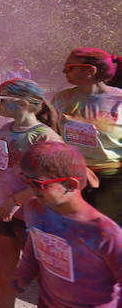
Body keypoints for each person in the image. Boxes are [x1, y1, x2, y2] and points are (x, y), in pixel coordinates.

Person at [14, 142, 122, 308]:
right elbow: (34, 246)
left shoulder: (103, 232)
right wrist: (24, 273)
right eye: (25, 179)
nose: (29, 187)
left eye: (38, 183)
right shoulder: (34, 209)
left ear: (71, 185)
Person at [0, 79, 62, 308]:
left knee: (42, 272)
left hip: (33, 215)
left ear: (25, 104)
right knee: (3, 264)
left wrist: (17, 199)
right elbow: (0, 167)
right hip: (0, 209)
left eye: (3, 98)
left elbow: (52, 179)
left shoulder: (45, 136)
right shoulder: (4, 130)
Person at [52, 47, 122, 225]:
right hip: (70, 178)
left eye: (69, 67)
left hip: (111, 180)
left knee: (108, 232)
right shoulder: (62, 99)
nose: (63, 71)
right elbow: (52, 136)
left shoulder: (119, 101)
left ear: (89, 70)